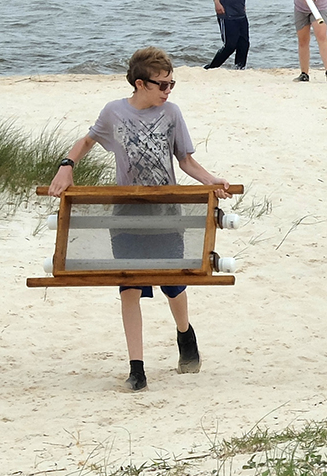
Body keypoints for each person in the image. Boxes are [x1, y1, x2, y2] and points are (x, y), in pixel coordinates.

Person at [48, 47, 232, 391]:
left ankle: (184, 333)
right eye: (162, 85)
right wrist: (66, 166)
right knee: (129, 289)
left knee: (173, 286)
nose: (168, 91)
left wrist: (213, 180)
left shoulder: (172, 113)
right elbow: (86, 141)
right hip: (126, 215)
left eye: (171, 84)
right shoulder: (114, 112)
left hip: (166, 214)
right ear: (140, 83)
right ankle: (137, 368)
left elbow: (186, 162)